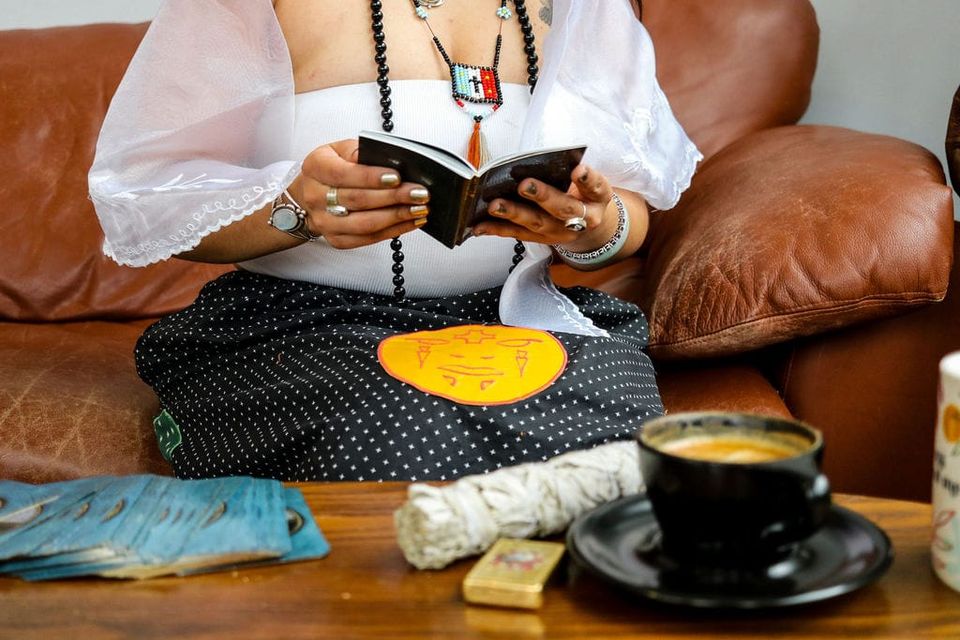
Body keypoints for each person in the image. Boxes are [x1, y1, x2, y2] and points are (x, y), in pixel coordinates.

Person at [89, 0, 702, 482]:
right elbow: (151, 197)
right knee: (401, 431)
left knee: (621, 457)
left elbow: (629, 216)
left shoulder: (584, 6)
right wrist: (297, 210)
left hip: (521, 321)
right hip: (307, 330)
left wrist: (595, 226)